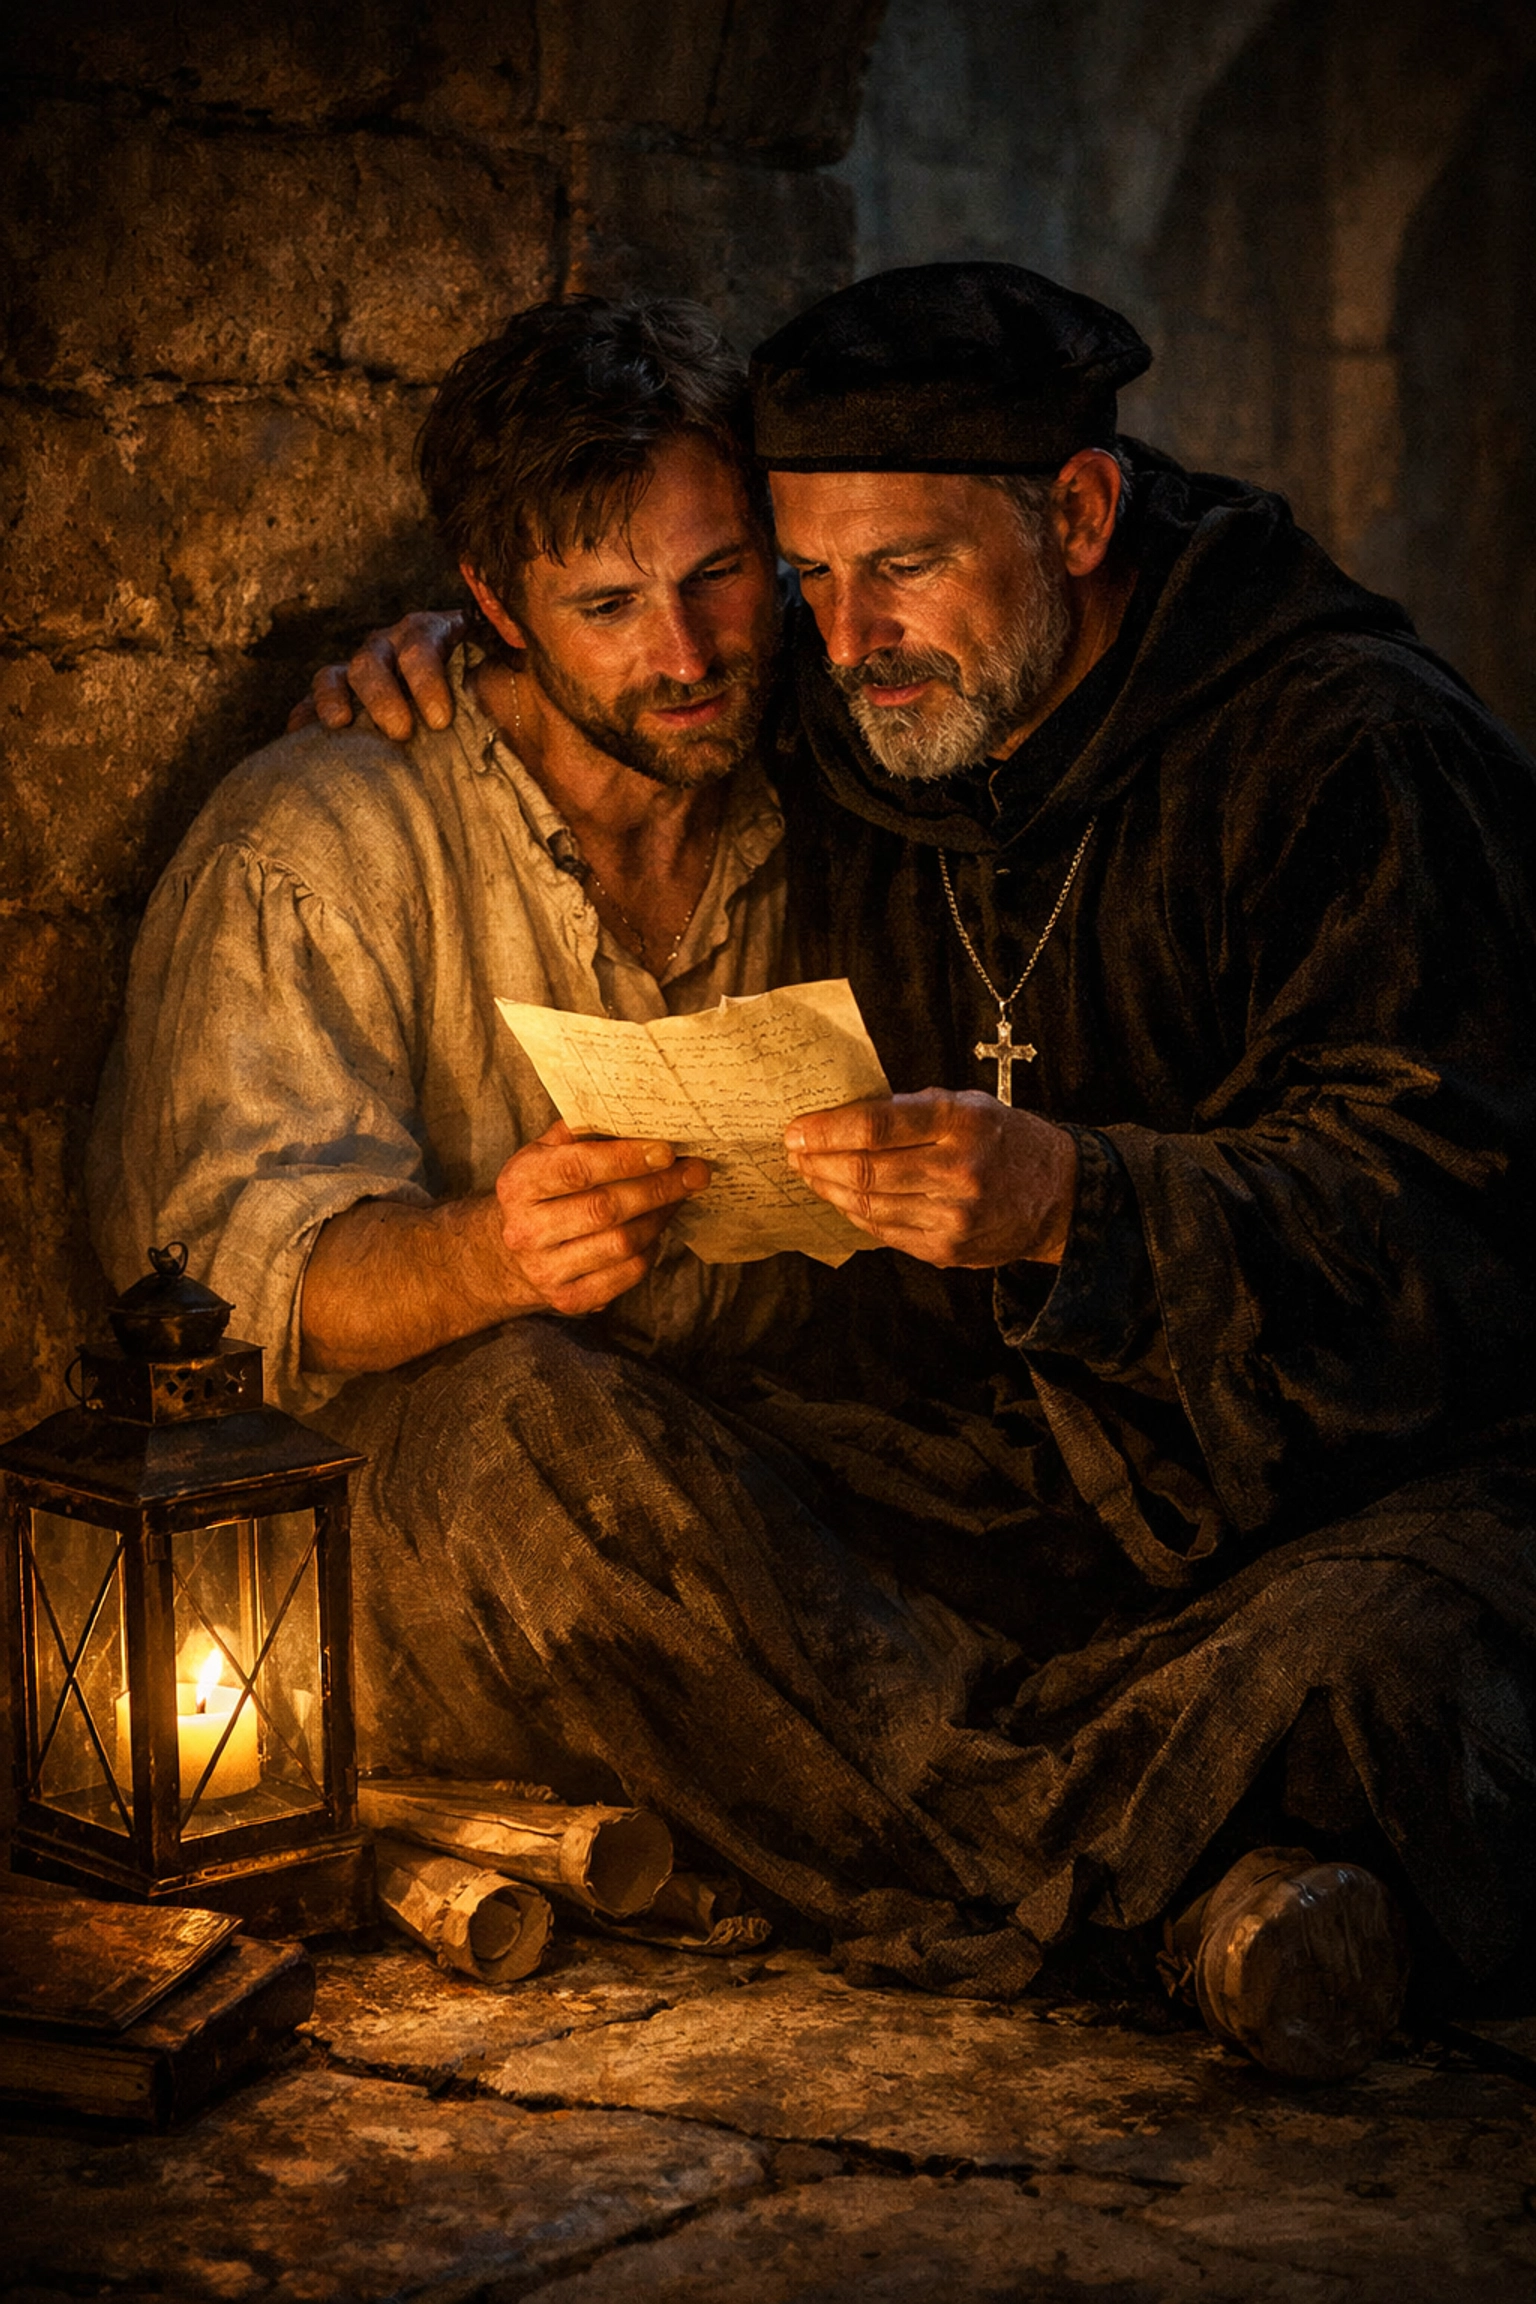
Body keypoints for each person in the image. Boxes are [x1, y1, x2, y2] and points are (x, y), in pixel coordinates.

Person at [309, 264, 1536, 2077]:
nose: (844, 632)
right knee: (482, 1457)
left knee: (1422, 1674)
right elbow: (633, 674)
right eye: (801, 577)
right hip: (968, 1496)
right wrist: (451, 661)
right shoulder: (860, 702)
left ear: (1083, 512)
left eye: (903, 566)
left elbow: (1464, 1229)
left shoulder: (1350, 752)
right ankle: (1186, 1888)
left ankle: (960, 1841)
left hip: (1303, 1507)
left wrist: (1078, 1209)